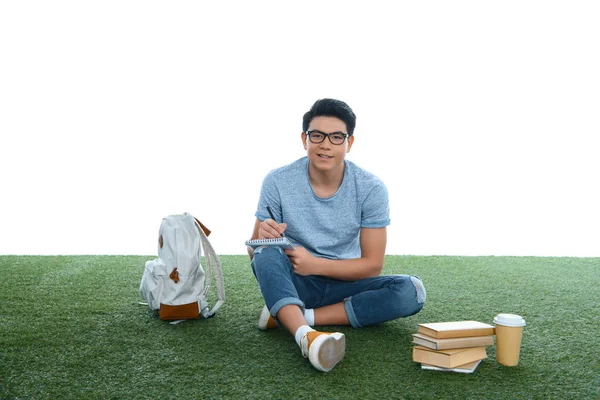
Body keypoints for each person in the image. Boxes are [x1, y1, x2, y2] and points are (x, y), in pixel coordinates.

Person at [247, 98, 426, 372]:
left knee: (411, 291)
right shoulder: (277, 180)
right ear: (304, 139)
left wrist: (316, 264)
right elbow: (254, 251)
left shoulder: (371, 188)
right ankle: (306, 336)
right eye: (317, 135)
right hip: (296, 281)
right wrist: (264, 235)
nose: (325, 144)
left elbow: (372, 265)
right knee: (265, 251)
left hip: (346, 283)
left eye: (336, 137)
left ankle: (293, 315)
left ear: (349, 143)